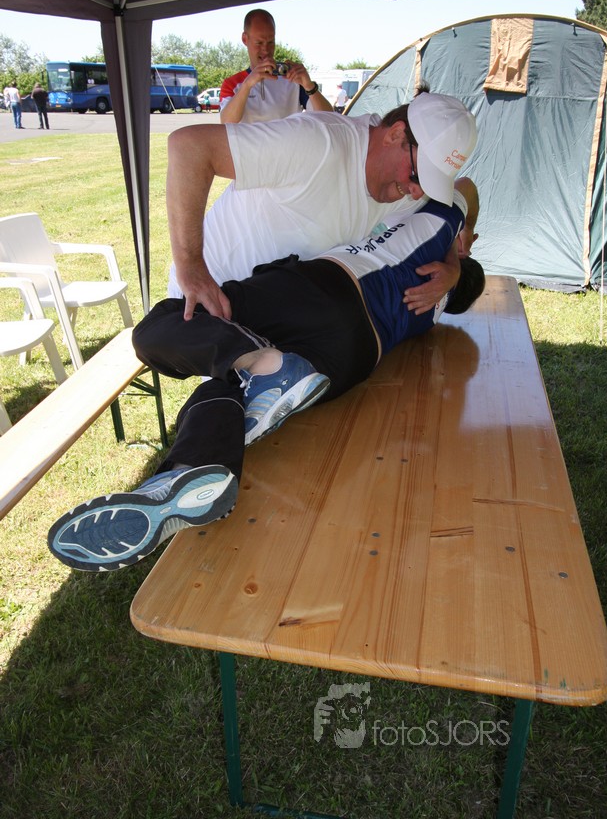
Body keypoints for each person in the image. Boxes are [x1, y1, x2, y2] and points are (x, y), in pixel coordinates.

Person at [47, 179, 484, 573]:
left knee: (158, 328)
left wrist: (456, 249)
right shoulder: (431, 314)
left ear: (466, 248)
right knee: (227, 379)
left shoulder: (442, 223)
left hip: (328, 289)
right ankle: (189, 471)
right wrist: (454, 271)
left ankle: (265, 367)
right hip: (352, 360)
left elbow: (465, 186)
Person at [166, 90, 478, 322]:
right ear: (395, 134)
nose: (417, 192)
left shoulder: (405, 187)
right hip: (206, 298)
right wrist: (190, 265)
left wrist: (453, 262)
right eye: (417, 175)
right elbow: (190, 147)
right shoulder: (317, 143)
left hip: (269, 315)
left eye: (431, 183)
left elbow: (465, 189)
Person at [219, 8, 333, 123]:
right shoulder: (232, 84)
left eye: (270, 42)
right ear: (245, 39)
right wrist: (247, 85)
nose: (265, 50)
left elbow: (331, 120)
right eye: (259, 43)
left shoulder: (292, 78)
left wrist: (309, 86)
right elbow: (226, 122)